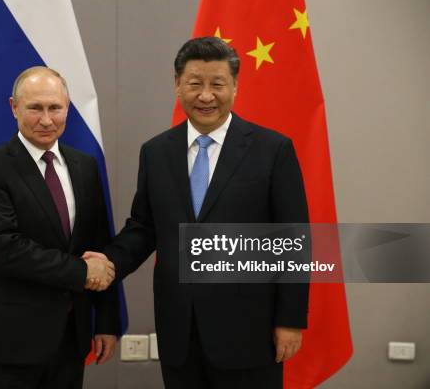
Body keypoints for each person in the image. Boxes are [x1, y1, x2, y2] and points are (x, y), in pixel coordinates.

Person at [84, 37, 309, 388]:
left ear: (235, 86)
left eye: (217, 84)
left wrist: (290, 320)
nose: (206, 96)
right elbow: (144, 228)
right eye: (195, 84)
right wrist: (108, 262)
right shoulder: (156, 152)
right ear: (177, 85)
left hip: (250, 330)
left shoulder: (273, 150)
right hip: (180, 330)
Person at [0, 66, 119, 389]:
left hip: (70, 338)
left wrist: (106, 321)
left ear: (67, 108)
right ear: (14, 107)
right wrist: (80, 271)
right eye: (35, 108)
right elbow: (7, 249)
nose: (47, 119)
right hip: (10, 340)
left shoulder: (85, 166)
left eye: (55, 108)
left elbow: (99, 244)